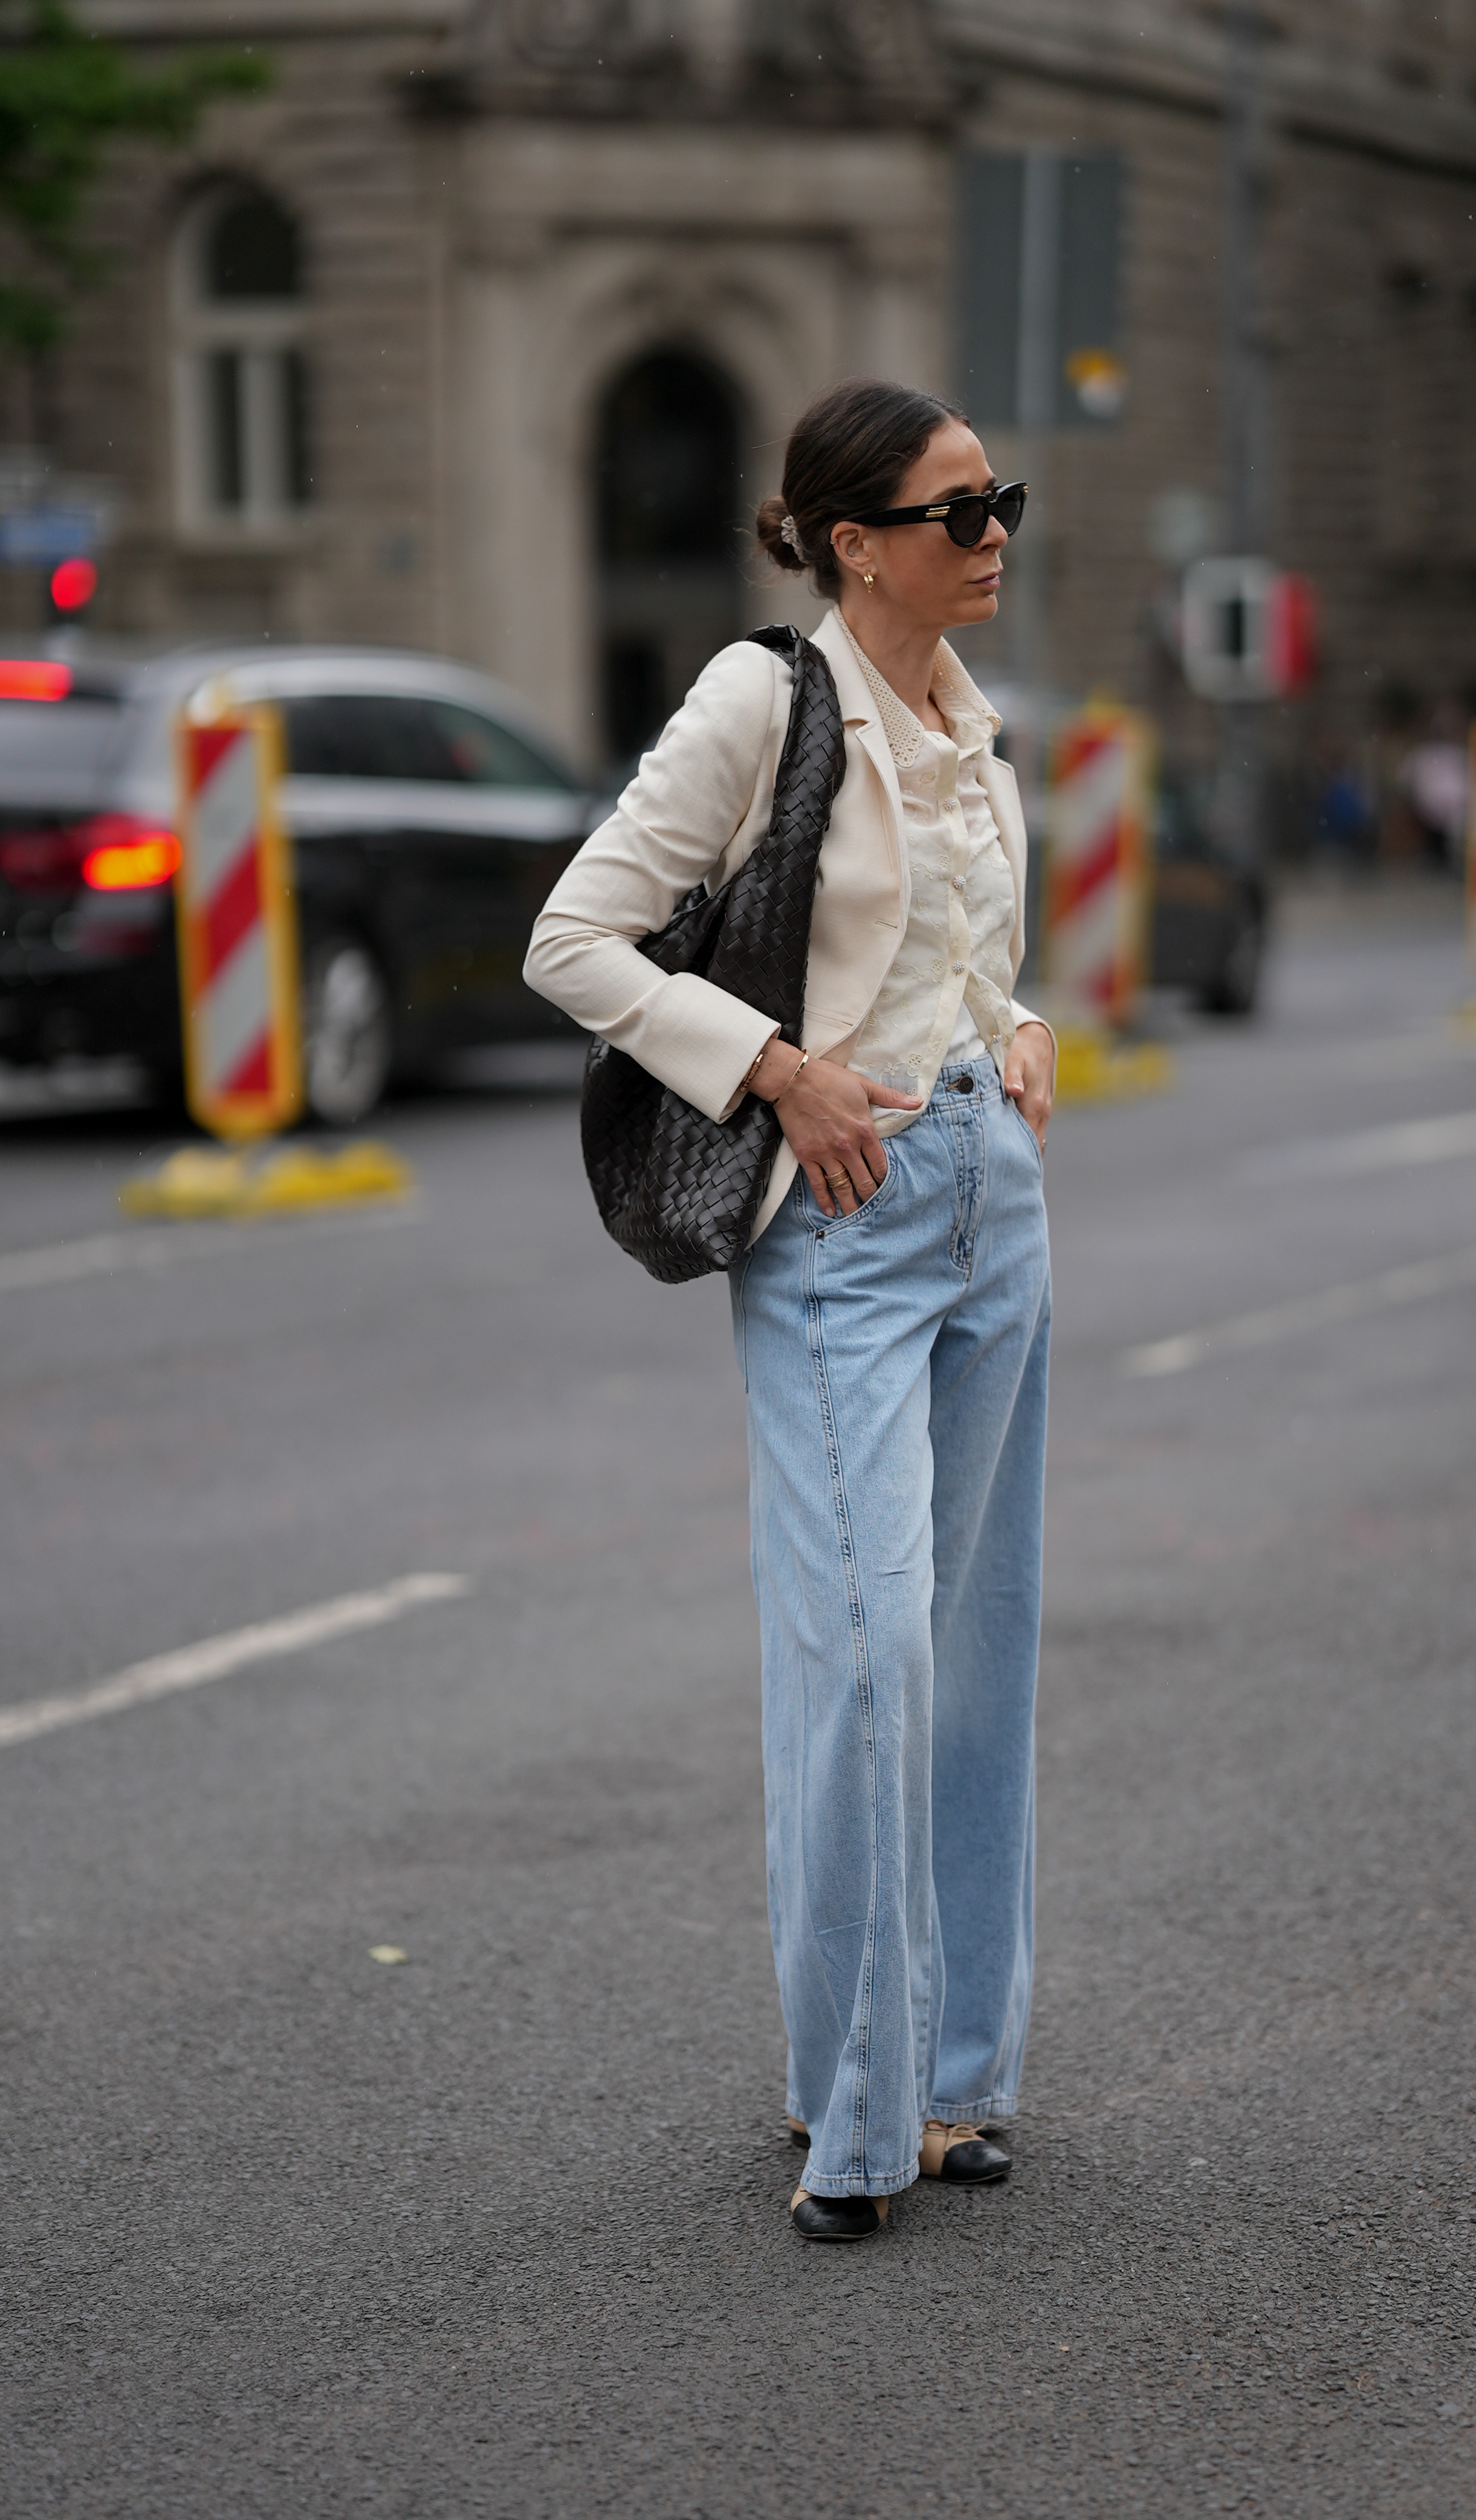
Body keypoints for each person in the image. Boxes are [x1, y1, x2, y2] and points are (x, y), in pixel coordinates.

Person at [523, 377, 1056, 2243]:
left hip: (996, 1197)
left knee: (977, 1647)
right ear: (853, 543)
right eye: (958, 510)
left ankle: (960, 2073)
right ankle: (856, 2108)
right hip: (838, 1220)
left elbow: (944, 939)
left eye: (1002, 501)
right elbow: (574, 935)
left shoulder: (966, 713)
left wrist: (1012, 1022)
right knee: (866, 1654)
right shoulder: (767, 696)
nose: (993, 534)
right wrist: (773, 1071)